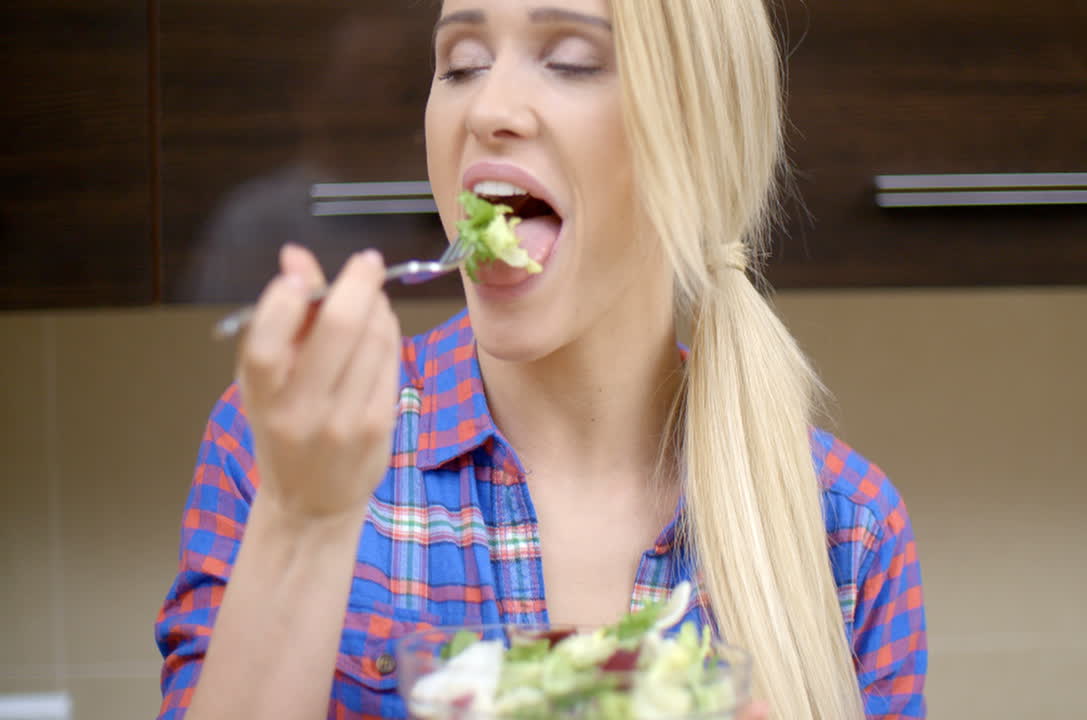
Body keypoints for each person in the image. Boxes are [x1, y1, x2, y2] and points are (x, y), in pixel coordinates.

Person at [154, 1, 927, 718]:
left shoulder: (846, 531)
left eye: (568, 61)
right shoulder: (291, 454)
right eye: (459, 65)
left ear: (695, 133)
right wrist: (304, 521)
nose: (486, 110)